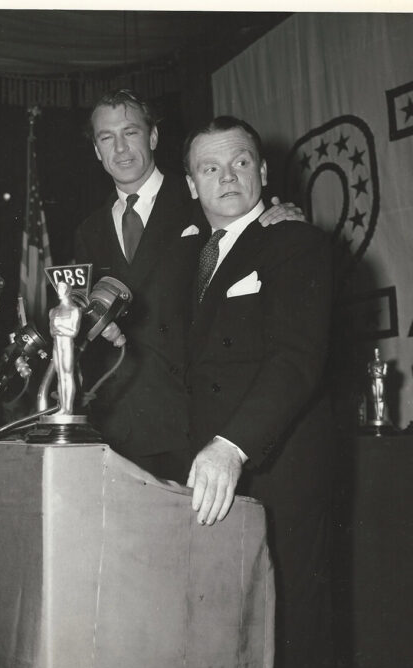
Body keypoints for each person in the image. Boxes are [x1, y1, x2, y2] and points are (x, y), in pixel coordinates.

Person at [74, 88, 304, 482]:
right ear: (96, 150)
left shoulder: (202, 192)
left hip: (192, 422)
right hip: (119, 425)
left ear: (154, 137)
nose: (121, 148)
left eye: (130, 132)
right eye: (106, 138)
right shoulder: (88, 230)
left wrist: (282, 215)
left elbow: (252, 225)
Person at [182, 115, 335, 668]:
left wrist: (233, 445)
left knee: (292, 637)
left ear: (263, 172)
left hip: (274, 470)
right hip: (209, 480)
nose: (227, 177)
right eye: (209, 168)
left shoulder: (294, 241)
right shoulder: (190, 259)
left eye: (240, 162)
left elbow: (296, 360)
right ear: (192, 185)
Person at [49, 281, 82, 414]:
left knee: (68, 375)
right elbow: (51, 332)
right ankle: (63, 407)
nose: (59, 290)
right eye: (58, 288)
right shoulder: (53, 311)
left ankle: (68, 409)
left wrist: (59, 327)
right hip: (57, 346)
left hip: (67, 346)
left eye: (62, 288)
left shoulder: (75, 310)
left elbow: (74, 332)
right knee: (60, 376)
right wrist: (57, 329)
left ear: (68, 290)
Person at [367, 347, 387, 422]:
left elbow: (384, 374)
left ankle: (380, 416)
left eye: (378, 352)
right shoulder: (370, 364)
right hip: (374, 382)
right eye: (375, 352)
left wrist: (377, 373)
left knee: (380, 398)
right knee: (375, 399)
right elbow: (370, 374)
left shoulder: (383, 363)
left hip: (380, 381)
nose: (376, 354)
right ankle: (377, 416)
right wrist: (377, 374)